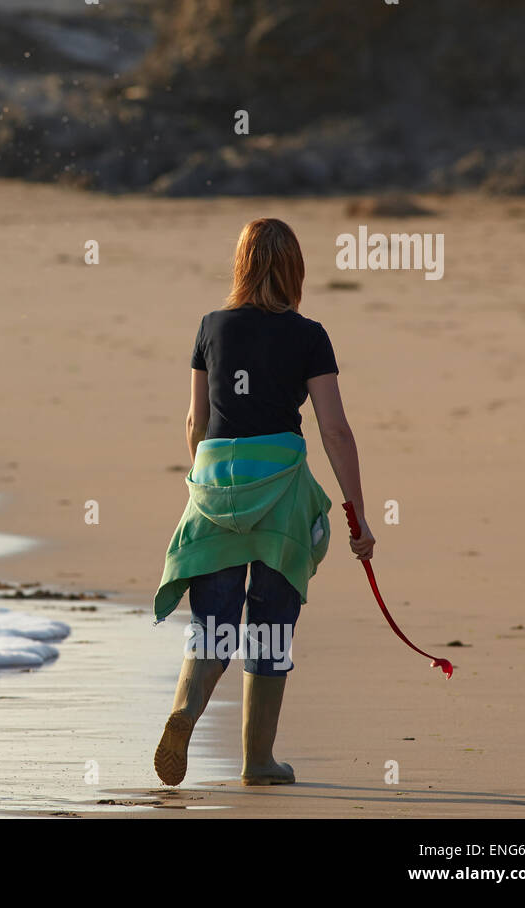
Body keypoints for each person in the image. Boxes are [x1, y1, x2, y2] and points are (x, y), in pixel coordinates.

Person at [152, 217, 375, 787]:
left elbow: (196, 423)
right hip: (278, 494)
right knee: (271, 623)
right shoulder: (309, 335)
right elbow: (336, 431)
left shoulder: (210, 326)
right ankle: (257, 760)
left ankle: (186, 711)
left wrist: (213, 483)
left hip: (216, 484)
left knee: (214, 621)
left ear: (242, 266)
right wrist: (357, 513)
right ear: (295, 270)